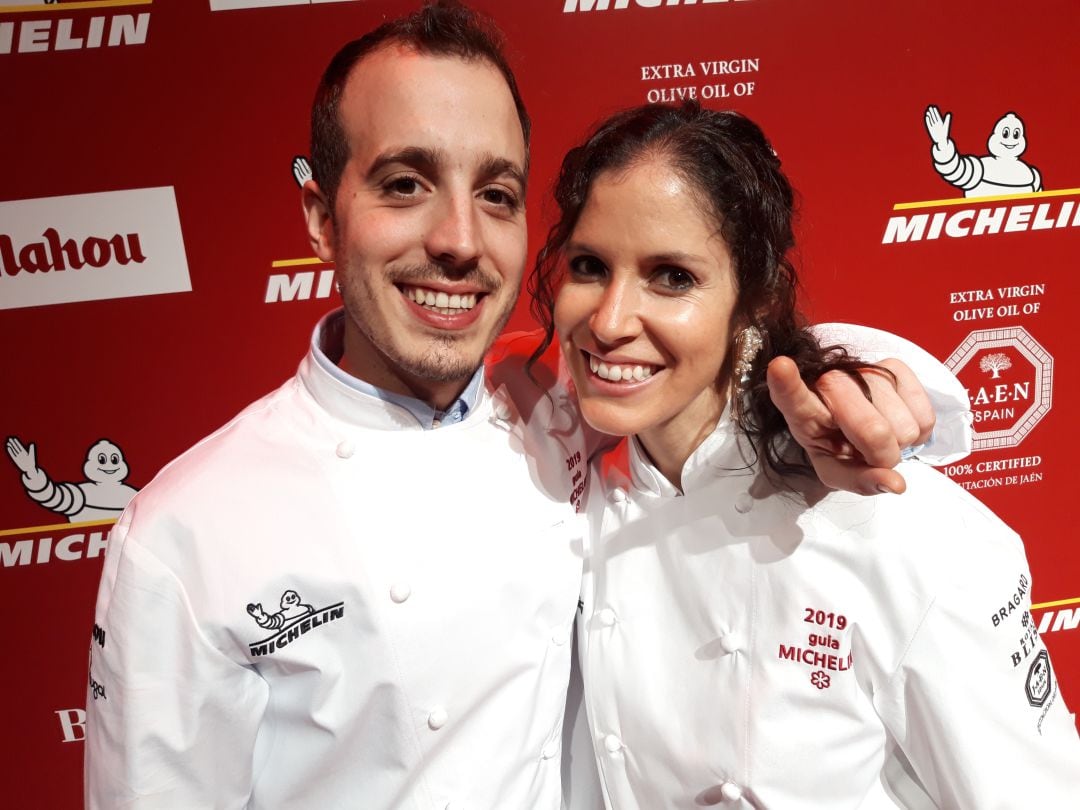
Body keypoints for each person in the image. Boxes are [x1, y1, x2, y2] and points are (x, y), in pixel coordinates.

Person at [84, 4, 967, 809]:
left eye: (496, 195)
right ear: (321, 215)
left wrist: (876, 381)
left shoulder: (552, 407)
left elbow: (708, 357)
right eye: (404, 184)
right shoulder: (185, 535)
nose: (459, 241)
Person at [533, 101, 1080, 808]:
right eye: (589, 265)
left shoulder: (901, 532)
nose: (608, 321)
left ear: (754, 297)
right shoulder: (566, 487)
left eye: (672, 277)